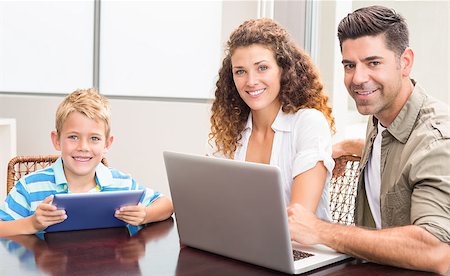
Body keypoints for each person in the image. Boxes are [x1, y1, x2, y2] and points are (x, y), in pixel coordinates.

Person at [288, 5, 450, 275]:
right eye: (350, 65)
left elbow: (436, 249)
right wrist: (352, 148)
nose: (359, 78)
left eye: (373, 63)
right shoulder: (381, 115)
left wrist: (321, 230)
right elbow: (406, 154)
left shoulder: (438, 140)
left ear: (405, 62)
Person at [0, 88, 173, 237]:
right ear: (57, 140)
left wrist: (145, 215)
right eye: (73, 137)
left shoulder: (122, 184)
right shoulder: (30, 187)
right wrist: (32, 224)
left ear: (107, 144)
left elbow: (167, 204)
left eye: (94, 138)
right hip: (46, 273)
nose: (83, 147)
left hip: (102, 271)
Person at [208, 18, 335, 220]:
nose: (251, 81)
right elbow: (211, 202)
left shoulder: (308, 123)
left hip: (301, 248)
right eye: (240, 71)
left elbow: (299, 219)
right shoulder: (231, 131)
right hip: (244, 243)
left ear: (283, 69)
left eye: (262, 68)